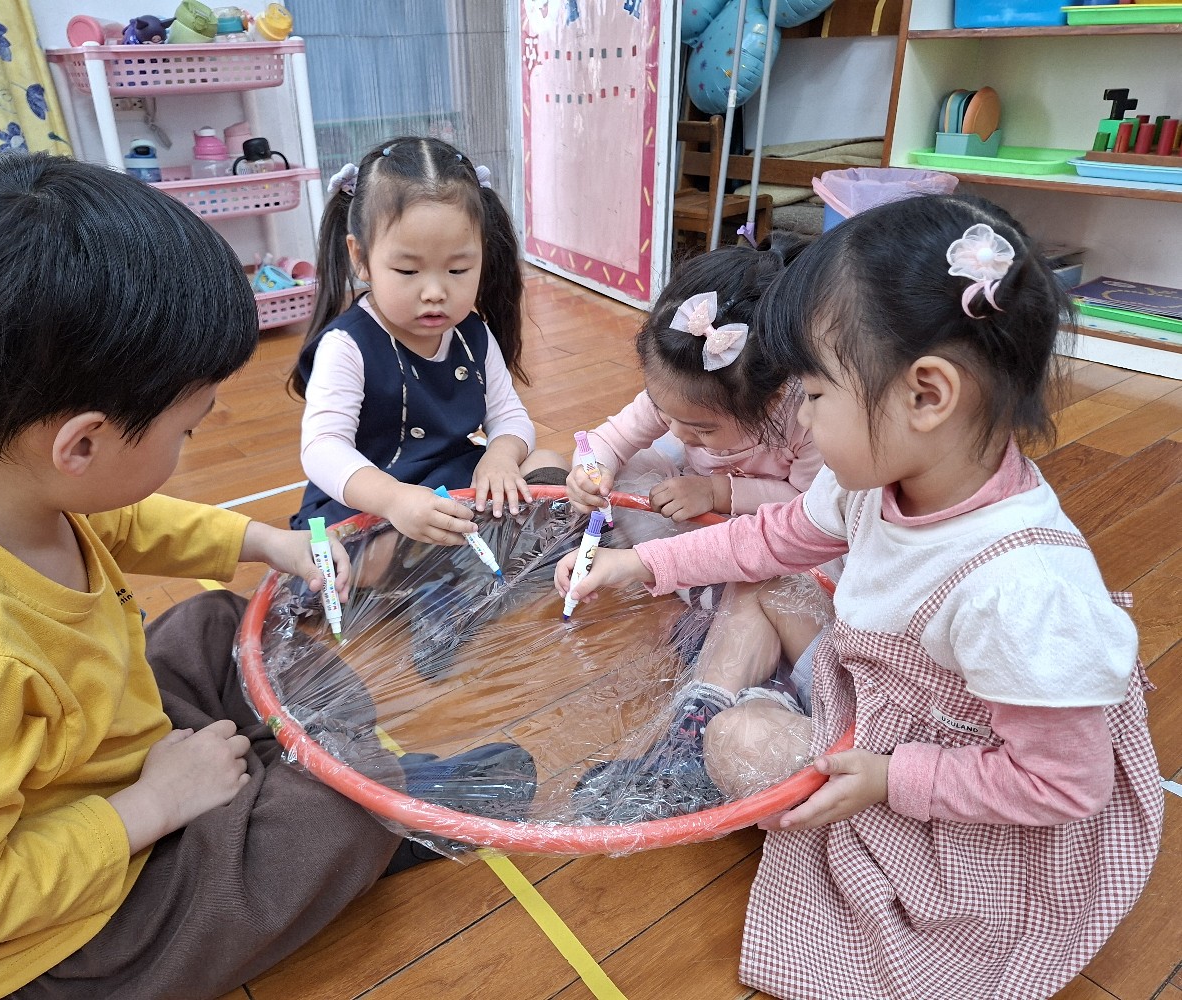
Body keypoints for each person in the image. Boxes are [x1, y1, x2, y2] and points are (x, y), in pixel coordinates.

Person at [0, 153, 535, 1000]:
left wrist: (268, 543)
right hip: (74, 934)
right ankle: (365, 806)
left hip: (100, 753)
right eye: (187, 430)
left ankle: (297, 781)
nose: (189, 445)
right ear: (81, 443)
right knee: (330, 814)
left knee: (215, 625)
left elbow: (123, 519)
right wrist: (150, 807)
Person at [556, 194, 1163, 999]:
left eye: (813, 395)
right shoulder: (874, 478)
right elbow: (769, 539)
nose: (800, 422)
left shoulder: (1022, 592)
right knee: (760, 583)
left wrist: (888, 778)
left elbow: (1061, 786)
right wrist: (639, 566)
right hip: (885, 688)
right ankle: (692, 727)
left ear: (926, 394)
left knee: (743, 743)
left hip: (946, 779)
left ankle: (724, 730)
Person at [288, 135, 567, 544]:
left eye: (457, 270)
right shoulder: (347, 346)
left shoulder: (473, 333)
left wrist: (500, 456)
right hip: (370, 501)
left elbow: (510, 417)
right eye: (408, 271)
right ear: (360, 257)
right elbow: (322, 447)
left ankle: (500, 557)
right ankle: (467, 556)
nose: (435, 292)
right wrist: (395, 500)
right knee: (368, 551)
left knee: (546, 461)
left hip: (452, 482)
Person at [565, 235, 823, 523]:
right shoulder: (676, 395)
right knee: (626, 474)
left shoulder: (806, 422)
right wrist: (591, 472)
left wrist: (715, 492)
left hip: (760, 521)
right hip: (691, 489)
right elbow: (610, 440)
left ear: (770, 402)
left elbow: (806, 503)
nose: (677, 431)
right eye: (665, 413)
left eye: (702, 429)